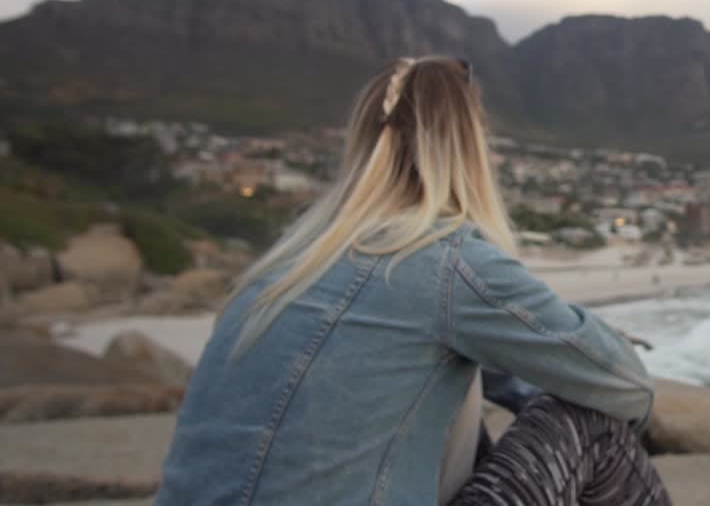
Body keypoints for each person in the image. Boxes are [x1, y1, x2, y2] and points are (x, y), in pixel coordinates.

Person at [156, 56, 672, 506]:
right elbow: (625, 386)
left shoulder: (287, 262)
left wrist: (511, 376)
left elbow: (402, 352)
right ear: (469, 150)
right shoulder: (443, 260)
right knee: (588, 424)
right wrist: (551, 387)